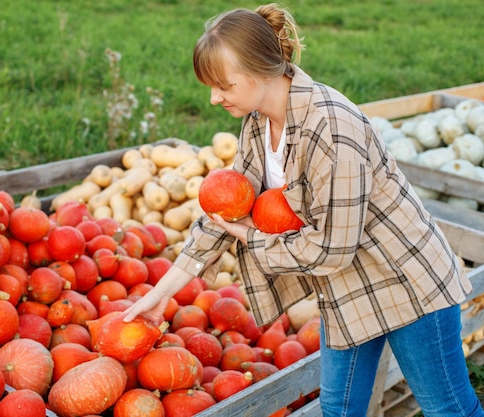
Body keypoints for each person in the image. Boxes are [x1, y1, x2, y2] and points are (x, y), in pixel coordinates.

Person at [123, 3, 483, 417]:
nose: (213, 98)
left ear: (260, 71)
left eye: (223, 85)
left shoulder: (331, 128)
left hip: (406, 281)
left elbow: (331, 248)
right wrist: (158, 297)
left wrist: (251, 237)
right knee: (338, 408)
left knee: (447, 408)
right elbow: (225, 214)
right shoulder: (258, 122)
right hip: (346, 288)